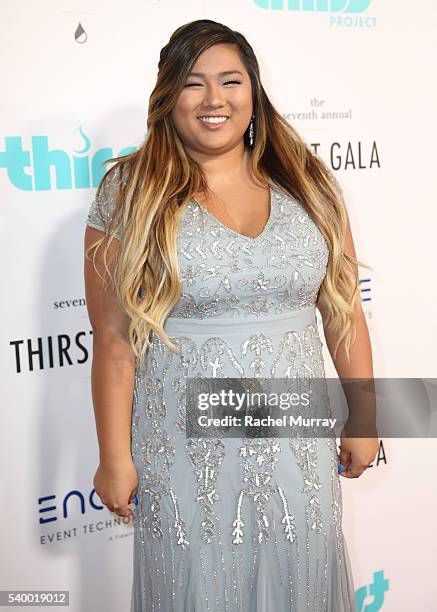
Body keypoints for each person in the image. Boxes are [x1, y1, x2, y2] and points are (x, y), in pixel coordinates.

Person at [84, 18, 378, 612]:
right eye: (194, 84)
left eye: (230, 81)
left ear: (253, 92)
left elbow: (344, 312)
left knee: (303, 576)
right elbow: (113, 338)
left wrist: (366, 418)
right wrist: (114, 457)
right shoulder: (130, 190)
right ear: (168, 97)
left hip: (297, 440)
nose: (214, 100)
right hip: (184, 446)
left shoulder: (310, 184)